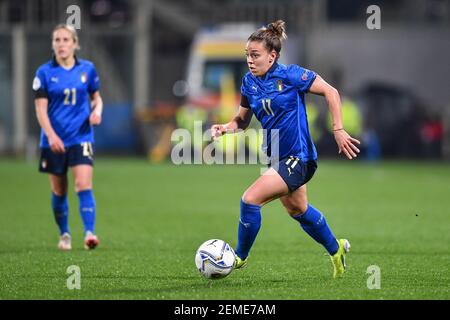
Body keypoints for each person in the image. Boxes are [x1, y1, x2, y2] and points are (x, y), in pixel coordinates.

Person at [211, 20, 361, 278]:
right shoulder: (248, 82)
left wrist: (338, 129)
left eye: (255, 55)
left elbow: (331, 92)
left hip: (299, 158)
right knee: (298, 209)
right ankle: (336, 249)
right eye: (247, 54)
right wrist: (226, 127)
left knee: (249, 199)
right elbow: (243, 121)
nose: (250, 60)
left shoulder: (291, 75)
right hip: (276, 158)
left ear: (272, 56)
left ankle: (239, 257)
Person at [33, 24, 103, 250]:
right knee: (59, 190)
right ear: (53, 44)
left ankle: (89, 233)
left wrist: (97, 111)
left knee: (83, 184)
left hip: (81, 136)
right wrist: (51, 136)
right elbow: (41, 110)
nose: (61, 44)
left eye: (65, 40)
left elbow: (97, 98)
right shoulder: (44, 73)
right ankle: (64, 234)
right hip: (53, 140)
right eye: (57, 40)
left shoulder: (87, 70)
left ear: (75, 44)